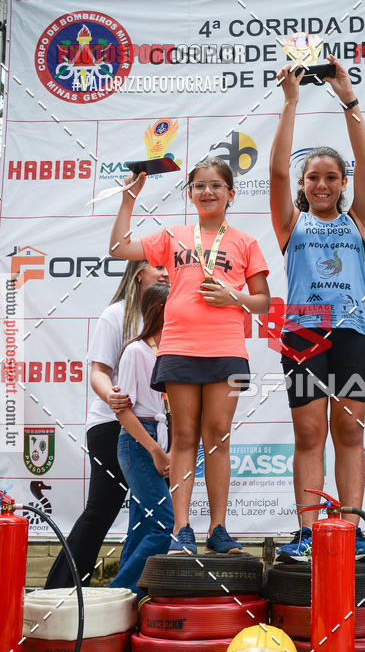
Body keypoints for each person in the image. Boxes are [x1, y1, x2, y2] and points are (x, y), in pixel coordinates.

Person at [109, 158, 270, 555]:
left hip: (227, 349)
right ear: (190, 193)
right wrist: (129, 199)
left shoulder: (245, 242)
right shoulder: (174, 235)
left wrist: (233, 296)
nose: (208, 192)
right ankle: (182, 530)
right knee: (184, 437)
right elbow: (118, 248)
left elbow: (263, 302)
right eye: (199, 186)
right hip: (179, 347)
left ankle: (218, 528)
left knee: (217, 437)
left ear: (231, 194)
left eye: (216, 186)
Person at [269, 55, 365, 561]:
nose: (322, 184)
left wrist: (348, 96)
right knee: (309, 432)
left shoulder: (360, 220)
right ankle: (308, 532)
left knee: (348, 430)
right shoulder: (291, 223)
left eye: (332, 177)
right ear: (304, 183)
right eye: (314, 177)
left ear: (342, 182)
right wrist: (292, 101)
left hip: (353, 332)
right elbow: (274, 169)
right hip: (304, 334)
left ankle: (351, 531)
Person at [45, 260, 169, 588]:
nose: (166, 271)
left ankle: (127, 594)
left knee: (146, 518)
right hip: (112, 425)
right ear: (138, 272)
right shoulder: (117, 314)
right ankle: (60, 591)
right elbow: (98, 371)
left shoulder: (170, 312)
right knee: (102, 509)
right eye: (157, 265)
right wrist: (112, 396)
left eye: (168, 264)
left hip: (152, 427)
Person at [108, 283, 174, 597]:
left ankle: (122, 602)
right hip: (139, 440)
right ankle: (120, 592)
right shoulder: (136, 351)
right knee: (163, 523)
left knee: (141, 526)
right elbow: (125, 412)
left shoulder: (167, 351)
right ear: (161, 309)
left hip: (155, 438)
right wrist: (157, 450)